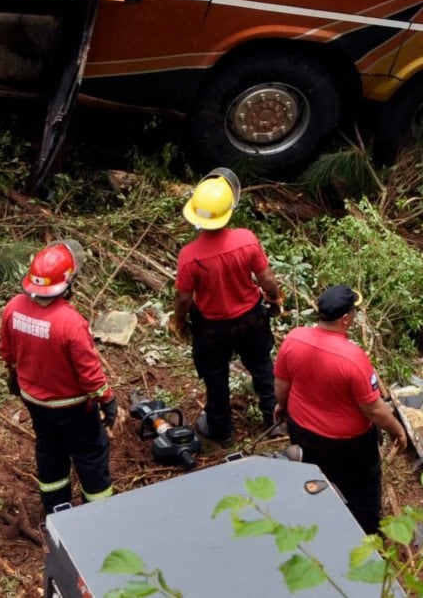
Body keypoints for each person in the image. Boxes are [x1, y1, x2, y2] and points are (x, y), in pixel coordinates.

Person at [274, 284, 408, 534]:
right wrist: (397, 429)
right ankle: (365, 537)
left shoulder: (293, 339)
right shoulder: (353, 358)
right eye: (354, 312)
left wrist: (283, 405)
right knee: (362, 492)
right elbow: (374, 409)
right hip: (348, 446)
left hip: (302, 431)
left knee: (313, 479)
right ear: (346, 318)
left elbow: (281, 385)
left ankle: (317, 526)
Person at [0, 240, 117, 515]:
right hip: (72, 405)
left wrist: (13, 374)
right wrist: (107, 399)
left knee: (49, 449)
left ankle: (57, 508)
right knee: (90, 453)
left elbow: (7, 351)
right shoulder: (70, 322)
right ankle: (98, 512)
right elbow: (89, 374)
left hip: (35, 401)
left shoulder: (13, 307)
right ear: (67, 283)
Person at [174, 167, 285, 444]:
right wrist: (275, 297)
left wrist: (179, 321)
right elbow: (267, 279)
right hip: (251, 319)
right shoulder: (246, 240)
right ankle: (274, 420)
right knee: (261, 367)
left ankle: (221, 431)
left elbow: (184, 299)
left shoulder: (189, 256)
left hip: (213, 328)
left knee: (216, 378)